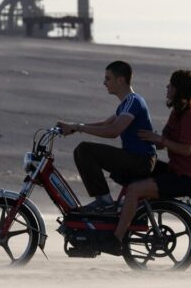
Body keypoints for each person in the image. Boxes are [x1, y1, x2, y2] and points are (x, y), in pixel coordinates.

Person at [103, 69, 191, 254]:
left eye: (171, 85)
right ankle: (128, 214)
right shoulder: (177, 113)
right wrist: (142, 139)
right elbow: (161, 142)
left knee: (135, 189)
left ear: (180, 89)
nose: (167, 87)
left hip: (187, 177)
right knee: (129, 168)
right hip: (176, 169)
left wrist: (160, 140)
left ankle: (116, 239)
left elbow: (185, 149)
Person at [57, 60, 157, 213]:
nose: (104, 83)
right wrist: (74, 127)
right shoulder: (126, 104)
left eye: (108, 78)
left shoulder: (133, 101)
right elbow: (104, 124)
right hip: (135, 158)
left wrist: (78, 127)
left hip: (140, 160)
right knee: (80, 151)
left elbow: (113, 131)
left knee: (84, 150)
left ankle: (104, 201)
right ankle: (103, 202)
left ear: (120, 80)